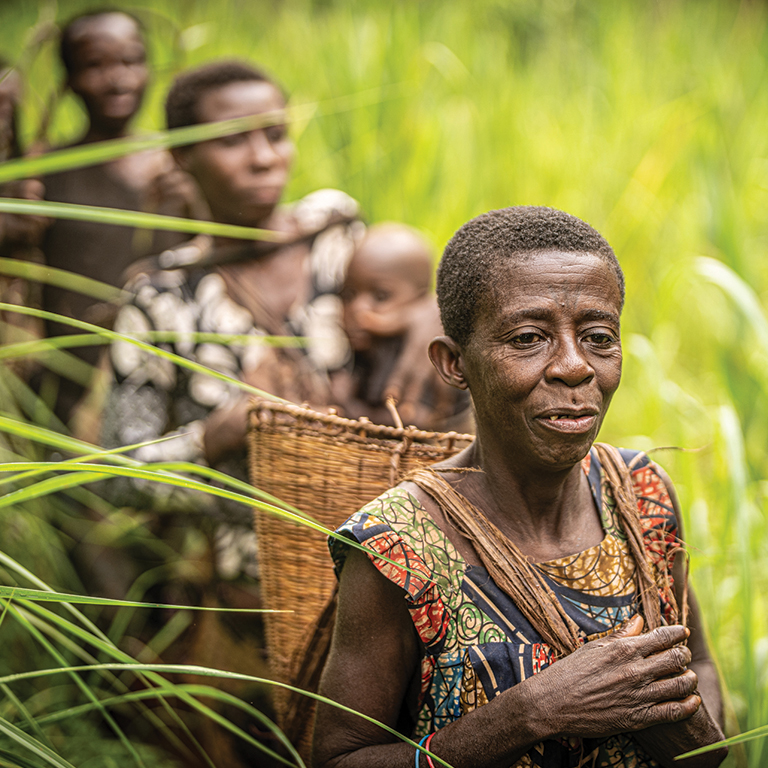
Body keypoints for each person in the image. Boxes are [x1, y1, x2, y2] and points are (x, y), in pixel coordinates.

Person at [314, 206, 727, 768]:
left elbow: (699, 662)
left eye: (599, 336)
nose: (575, 367)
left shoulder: (642, 494)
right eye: (529, 338)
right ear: (454, 362)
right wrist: (533, 711)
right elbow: (340, 759)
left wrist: (679, 722)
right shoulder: (397, 548)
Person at [26, 10, 201, 428]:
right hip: (70, 385)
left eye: (131, 61)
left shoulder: (179, 164)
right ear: (68, 80)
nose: (118, 79)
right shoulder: (43, 174)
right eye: (95, 66)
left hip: (167, 371)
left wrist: (195, 202)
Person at [333, 222, 471, 430]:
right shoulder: (364, 349)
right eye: (348, 294)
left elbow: (419, 419)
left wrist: (349, 409)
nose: (358, 309)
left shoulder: (419, 354)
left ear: (421, 302)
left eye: (381, 296)